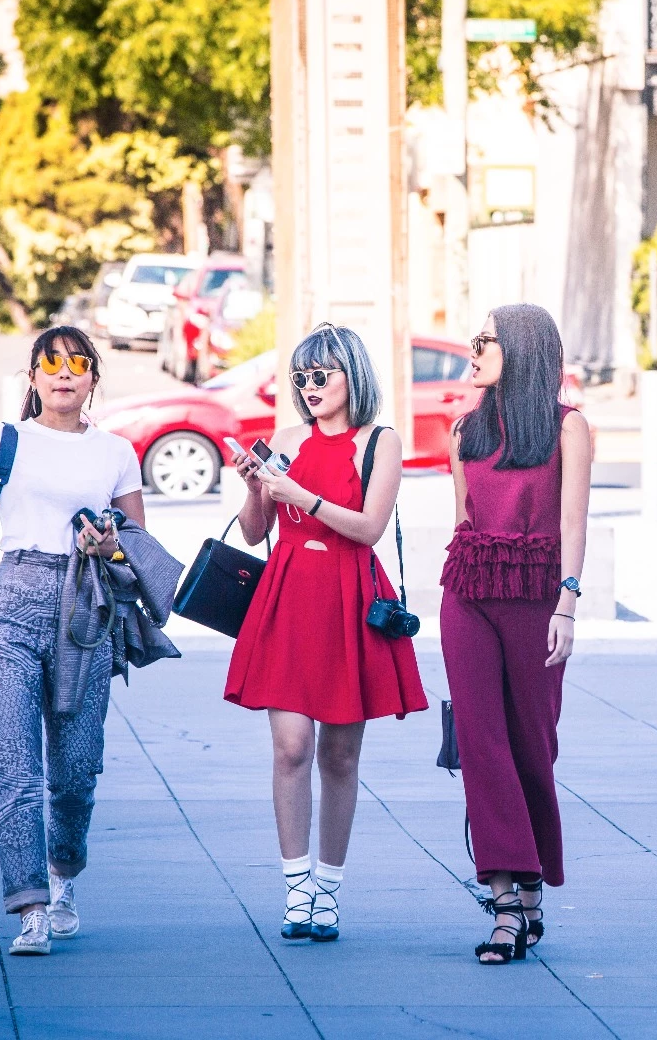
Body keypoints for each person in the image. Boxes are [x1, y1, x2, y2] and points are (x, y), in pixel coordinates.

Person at [0, 327, 144, 956]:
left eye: (77, 363)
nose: (63, 373)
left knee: (73, 774)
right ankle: (30, 907)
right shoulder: (4, 438)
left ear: (93, 377)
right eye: (50, 363)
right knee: (15, 767)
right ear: (32, 376)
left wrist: (109, 542)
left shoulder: (117, 451)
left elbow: (136, 544)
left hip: (84, 609)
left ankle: (65, 873)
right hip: (9, 604)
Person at [224, 323, 427, 943]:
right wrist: (256, 487)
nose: (311, 388)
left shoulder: (380, 441)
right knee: (291, 748)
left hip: (350, 596)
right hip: (287, 596)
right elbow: (255, 533)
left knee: (340, 754)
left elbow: (368, 528)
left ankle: (329, 890)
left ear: (352, 377)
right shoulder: (286, 439)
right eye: (303, 379)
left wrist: (300, 494)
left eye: (323, 376)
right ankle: (295, 890)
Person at [440, 303, 591, 964]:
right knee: (481, 743)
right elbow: (462, 518)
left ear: (523, 350)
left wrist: (568, 605)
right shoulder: (464, 430)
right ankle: (503, 901)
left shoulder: (569, 427)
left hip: (538, 598)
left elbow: (574, 523)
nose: (472, 353)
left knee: (533, 745)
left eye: (485, 342)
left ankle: (530, 884)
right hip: (468, 594)